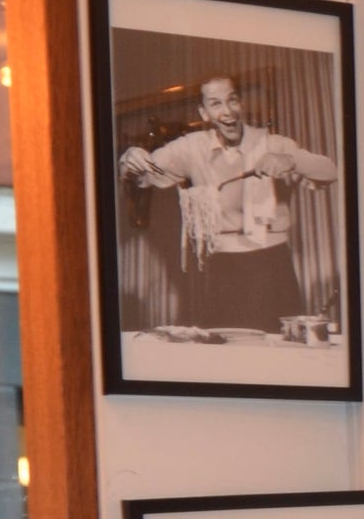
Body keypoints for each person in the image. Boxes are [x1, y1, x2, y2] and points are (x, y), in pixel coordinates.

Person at [118, 73, 338, 335]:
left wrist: (291, 161)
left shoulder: (274, 144)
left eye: (232, 100)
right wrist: (129, 159)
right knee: (221, 350)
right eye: (216, 104)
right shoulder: (191, 148)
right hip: (218, 268)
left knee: (279, 350)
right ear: (204, 113)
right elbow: (143, 175)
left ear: (240, 103)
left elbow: (330, 171)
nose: (227, 111)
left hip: (272, 266)